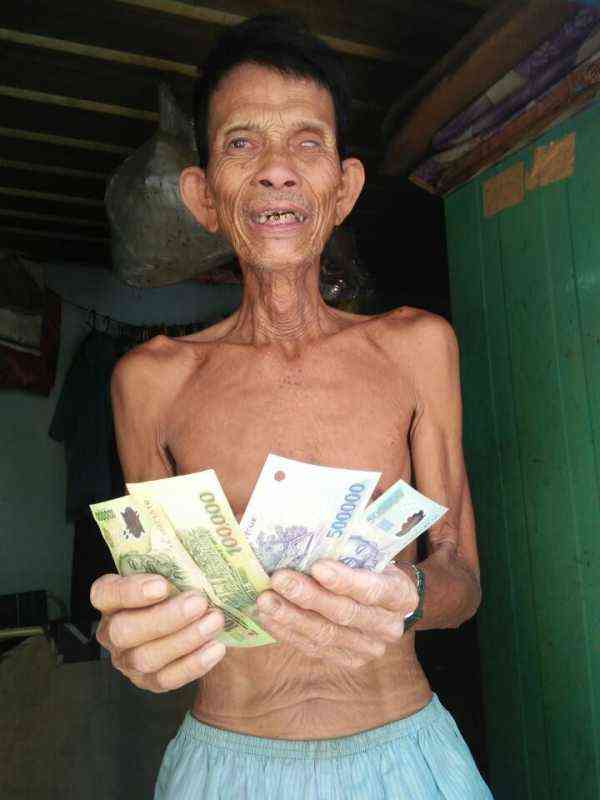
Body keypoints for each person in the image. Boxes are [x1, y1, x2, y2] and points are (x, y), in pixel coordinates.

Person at [91, 14, 493, 799]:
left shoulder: (417, 348)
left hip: (405, 754)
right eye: (242, 142)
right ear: (204, 196)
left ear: (343, 189)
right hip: (227, 766)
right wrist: (134, 640)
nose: (277, 169)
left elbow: (462, 580)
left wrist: (409, 598)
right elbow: (161, 604)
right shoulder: (150, 381)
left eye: (307, 142)